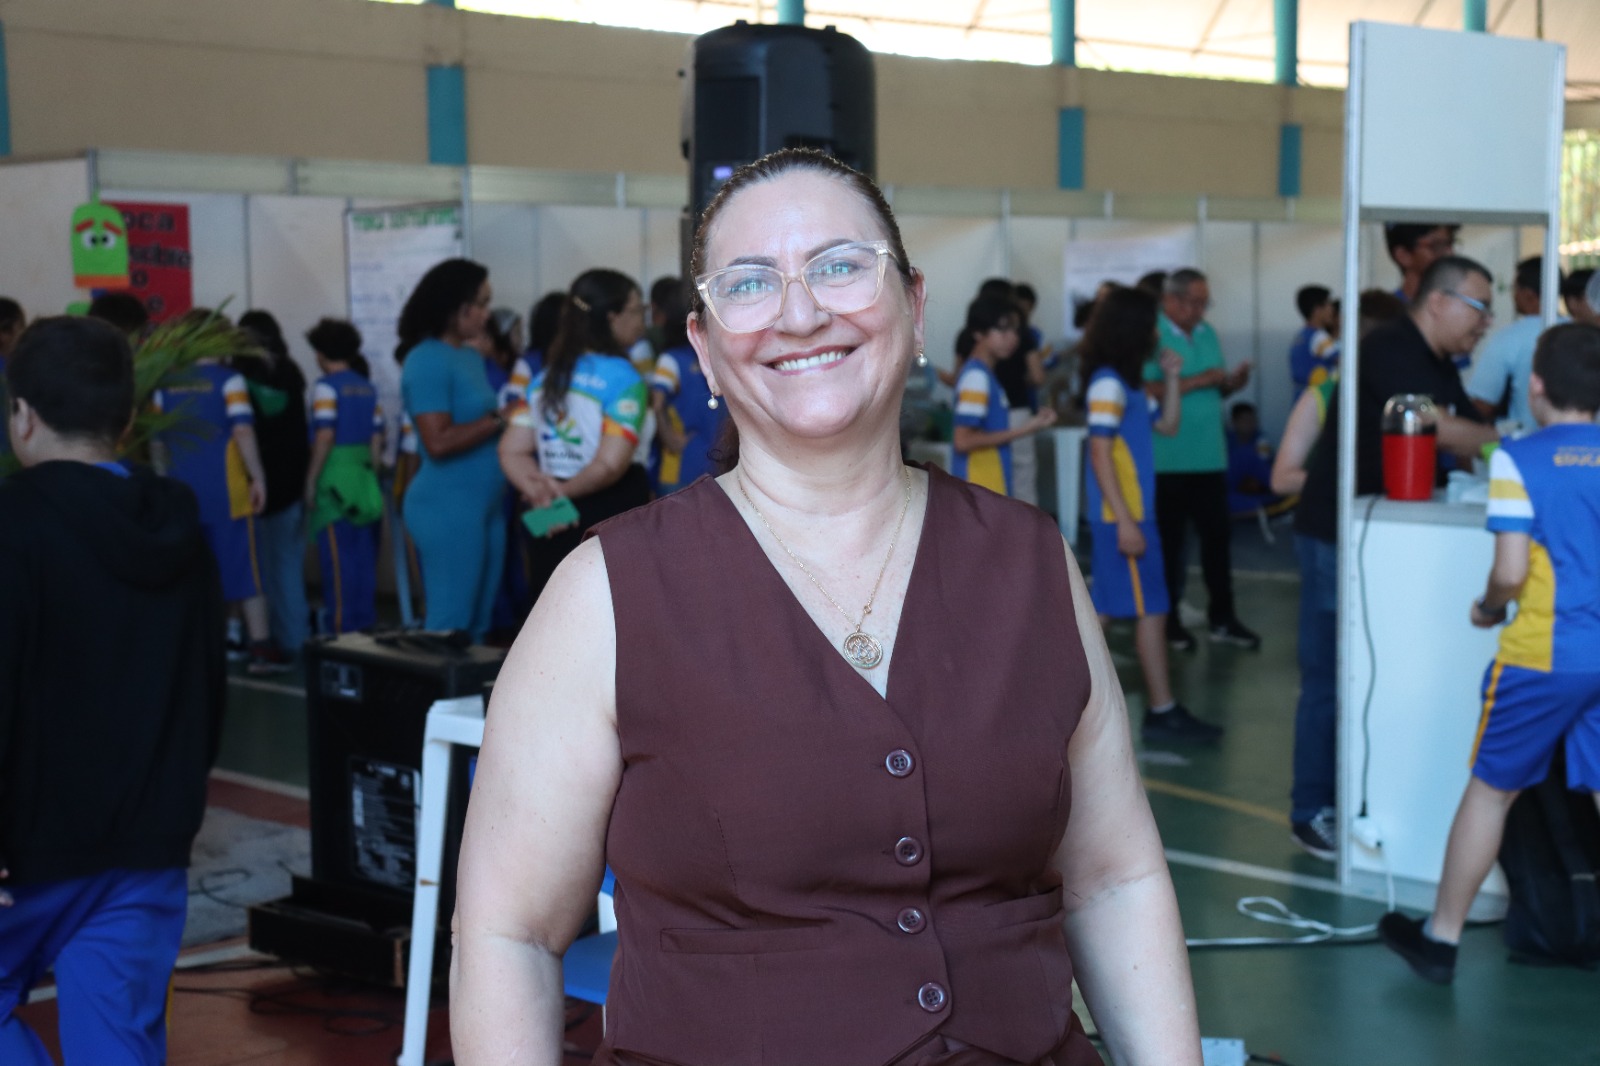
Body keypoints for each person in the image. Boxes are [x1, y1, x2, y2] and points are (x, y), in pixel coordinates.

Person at [453, 147, 1202, 1066]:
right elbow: (511, 933)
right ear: (705, 348)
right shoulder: (606, 592)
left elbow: (1114, 882)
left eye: (841, 266)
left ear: (914, 305)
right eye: (749, 283)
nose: (801, 313)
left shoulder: (1031, 563)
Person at [0, 316, 225, 1065]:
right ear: (128, 420)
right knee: (118, 1042)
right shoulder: (180, 524)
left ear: (22, 416)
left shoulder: (13, 525)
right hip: (147, 841)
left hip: (29, 848)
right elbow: (208, 683)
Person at [1379, 322, 1600, 984]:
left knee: (1491, 793)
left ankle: (1440, 940)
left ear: (1535, 385)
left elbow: (1509, 572)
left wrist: (1488, 606)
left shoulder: (1518, 459)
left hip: (1543, 655)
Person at [1291, 257, 1500, 859]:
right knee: (1331, 673)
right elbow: (1443, 428)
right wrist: (1514, 441)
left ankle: (1360, 796)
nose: (1485, 324)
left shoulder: (1437, 361)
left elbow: (1466, 431)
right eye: (1480, 308)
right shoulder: (1389, 347)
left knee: (1371, 666)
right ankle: (1311, 808)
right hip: (1336, 531)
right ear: (1438, 301)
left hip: (1380, 534)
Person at [1082, 285, 1221, 745]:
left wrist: (1174, 377)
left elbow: (1169, 425)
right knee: (1152, 610)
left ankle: (1044, 695)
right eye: (1151, 323)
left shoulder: (1129, 385)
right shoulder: (1108, 384)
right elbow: (1100, 452)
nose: (1157, 332)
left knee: (1104, 611)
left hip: (1130, 515)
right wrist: (1125, 521)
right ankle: (1162, 711)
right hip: (1125, 517)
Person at [498, 269, 652, 606]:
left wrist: (540, 492)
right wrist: (561, 494)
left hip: (549, 515)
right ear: (612, 317)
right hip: (609, 510)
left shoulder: (545, 377)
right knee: (612, 613)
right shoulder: (624, 378)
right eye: (637, 309)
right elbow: (610, 465)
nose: (643, 320)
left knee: (551, 608)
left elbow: (511, 451)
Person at [150, 309, 286, 674]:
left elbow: (157, 443)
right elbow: (242, 431)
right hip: (227, 492)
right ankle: (260, 648)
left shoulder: (164, 384)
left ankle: (205, 644)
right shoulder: (230, 381)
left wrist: (163, 483)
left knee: (193, 570)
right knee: (245, 568)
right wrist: (258, 478)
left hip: (181, 492)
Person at [398, 258, 511, 642]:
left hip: (485, 506)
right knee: (449, 627)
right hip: (447, 507)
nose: (486, 314)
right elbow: (438, 441)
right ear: (452, 307)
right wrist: (500, 418)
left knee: (477, 626)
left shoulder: (468, 357)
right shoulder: (425, 359)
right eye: (480, 303)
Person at [1146, 268, 1258, 652]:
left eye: (1204, 303)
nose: (1200, 310)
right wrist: (1198, 380)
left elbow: (1216, 387)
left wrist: (1231, 383)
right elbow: (1144, 389)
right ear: (1170, 300)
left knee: (1217, 542)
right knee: (1170, 546)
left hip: (1210, 455)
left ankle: (1223, 618)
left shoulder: (1207, 332)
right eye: (1193, 302)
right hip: (1167, 458)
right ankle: (1168, 622)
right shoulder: (1151, 334)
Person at [236, 309, 313, 660]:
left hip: (258, 486)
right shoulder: (292, 372)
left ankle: (263, 639)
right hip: (294, 480)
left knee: (259, 571)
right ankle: (296, 638)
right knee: (289, 566)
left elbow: (244, 433)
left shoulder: (239, 377)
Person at [304, 318, 384, 634]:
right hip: (363, 479)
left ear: (321, 353)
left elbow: (325, 435)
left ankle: (341, 631)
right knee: (364, 560)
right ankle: (365, 629)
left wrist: (311, 480)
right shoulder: (367, 387)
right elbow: (377, 438)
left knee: (338, 563)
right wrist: (370, 474)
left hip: (334, 479)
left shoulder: (326, 387)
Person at [951, 294, 1057, 495]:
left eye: (1016, 330)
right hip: (979, 488)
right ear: (978, 333)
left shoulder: (984, 375)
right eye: (1003, 329)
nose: (1013, 337)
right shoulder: (976, 377)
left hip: (987, 486)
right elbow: (963, 440)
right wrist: (1026, 428)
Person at [1467, 256, 1563, 435]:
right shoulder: (1580, 333)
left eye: (1514, 288)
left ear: (1528, 294)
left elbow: (1482, 404)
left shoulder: (1509, 337)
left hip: (1524, 442)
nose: (1513, 295)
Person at [649, 279, 728, 494]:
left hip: (715, 458)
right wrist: (669, 438)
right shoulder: (671, 359)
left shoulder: (715, 353)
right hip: (682, 465)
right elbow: (657, 402)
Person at [1385, 223, 1460, 304]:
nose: (1450, 253)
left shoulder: (1458, 306)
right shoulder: (1387, 310)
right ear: (1403, 256)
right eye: (1437, 246)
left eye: (1450, 243)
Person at [1288, 285, 1338, 398]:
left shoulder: (1301, 336)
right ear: (1317, 310)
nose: (1332, 310)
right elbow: (1344, 362)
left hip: (1300, 398)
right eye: (1329, 305)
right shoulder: (1319, 337)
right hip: (1318, 400)